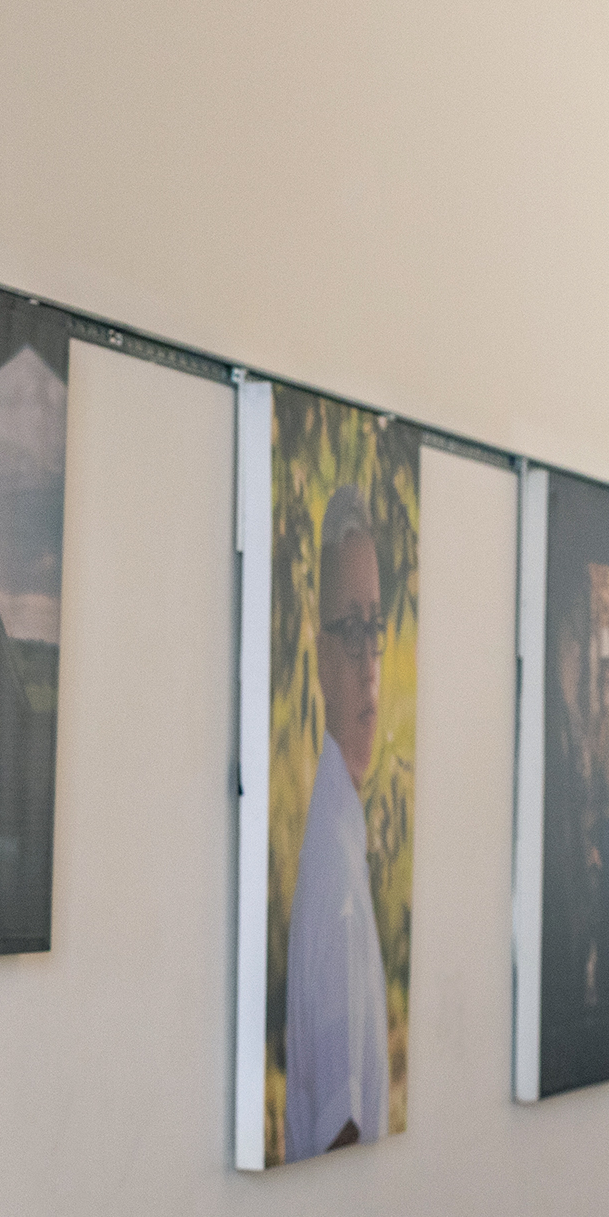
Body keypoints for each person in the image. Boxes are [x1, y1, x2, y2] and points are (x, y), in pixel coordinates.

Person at [284, 484, 392, 1157]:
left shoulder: (340, 832)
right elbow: (341, 1142)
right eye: (349, 632)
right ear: (320, 657)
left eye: (374, 628)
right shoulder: (338, 883)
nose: (369, 670)